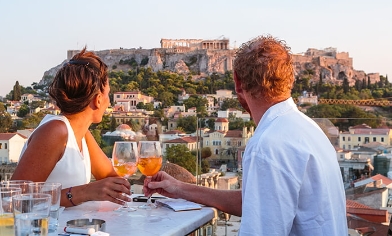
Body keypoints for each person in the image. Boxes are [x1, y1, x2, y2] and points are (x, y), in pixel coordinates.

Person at [143, 35, 348, 235]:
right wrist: (178, 188)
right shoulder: (308, 129)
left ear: (238, 82)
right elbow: (253, 201)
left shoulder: (268, 144)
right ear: (290, 80)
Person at [11, 47, 131, 207]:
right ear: (98, 99)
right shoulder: (54, 131)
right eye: (108, 94)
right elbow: (15, 199)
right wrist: (83, 192)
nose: (110, 102)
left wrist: (151, 177)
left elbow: (111, 178)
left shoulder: (80, 134)